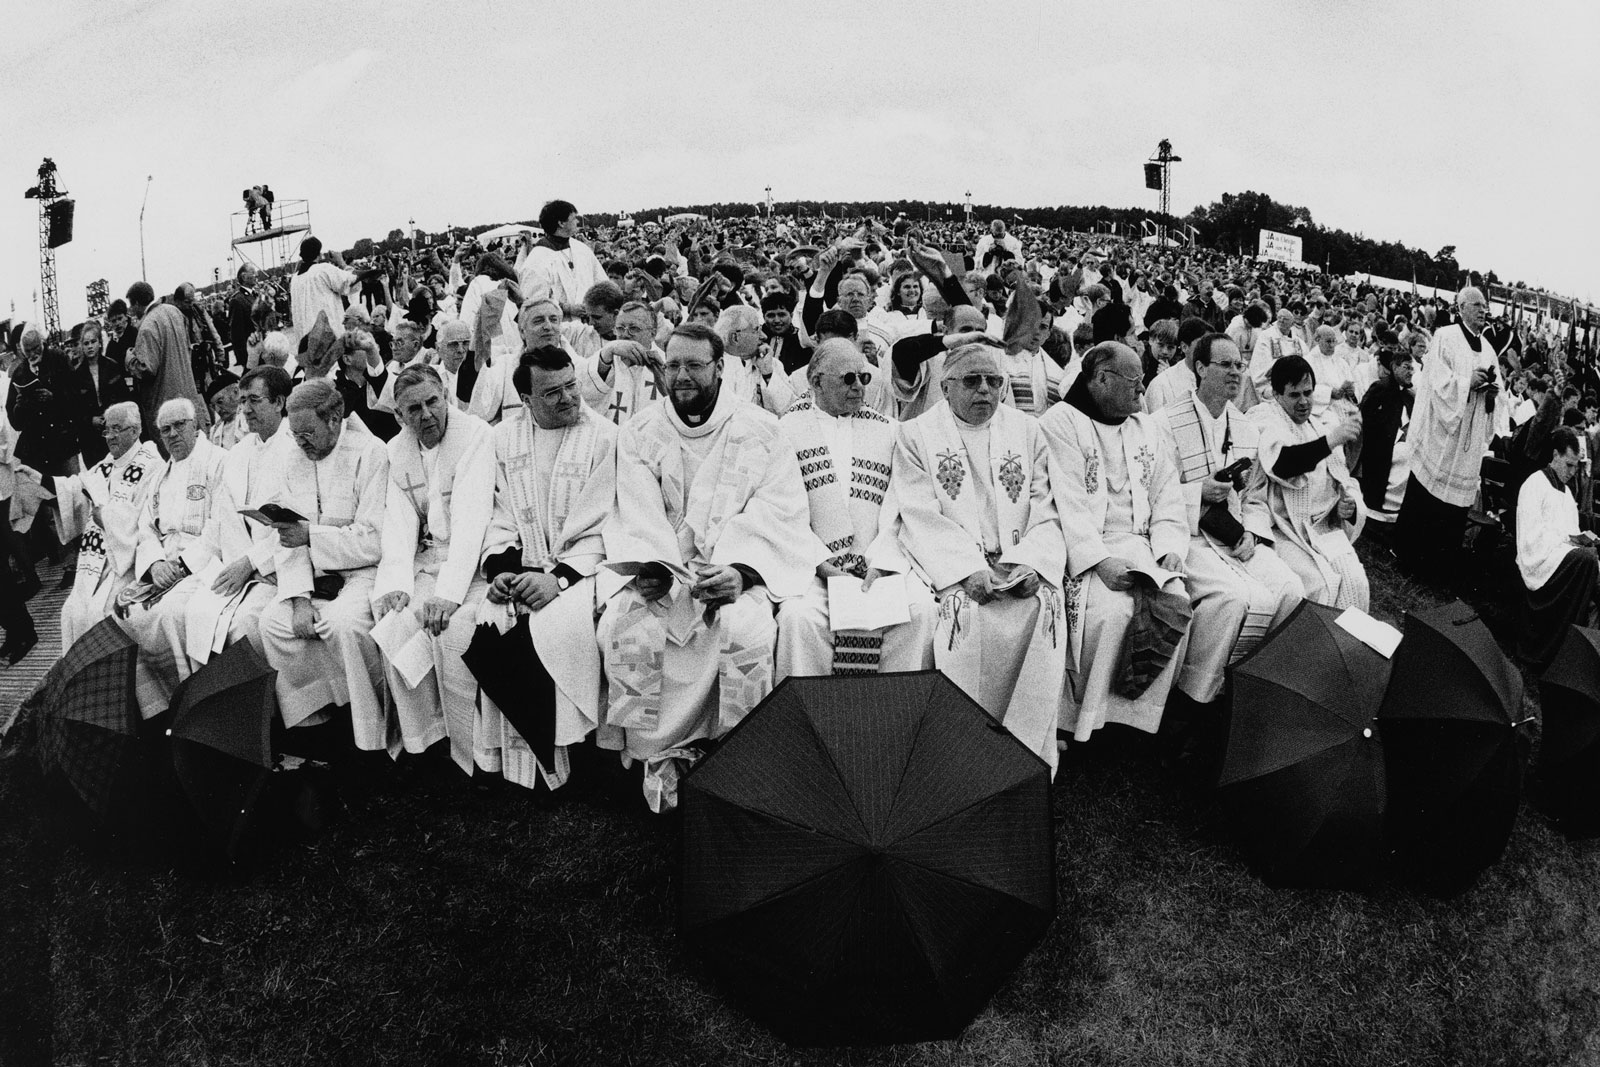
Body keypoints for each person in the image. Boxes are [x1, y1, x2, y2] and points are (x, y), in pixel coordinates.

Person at [597, 322, 819, 811]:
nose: (682, 376)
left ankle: (733, 754)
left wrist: (741, 571)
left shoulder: (761, 428)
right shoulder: (640, 431)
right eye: (673, 364)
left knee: (748, 631)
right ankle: (655, 755)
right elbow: (635, 509)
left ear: (720, 368)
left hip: (734, 573)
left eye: (694, 365)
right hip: (666, 573)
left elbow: (779, 509)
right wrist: (651, 566)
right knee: (623, 625)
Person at [896, 343, 1066, 770]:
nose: (985, 391)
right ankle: (957, 753)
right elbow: (918, 513)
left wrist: (1032, 562)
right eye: (972, 381)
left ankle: (1026, 752)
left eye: (994, 381)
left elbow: (1046, 507)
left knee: (1045, 605)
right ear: (946, 386)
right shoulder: (916, 434)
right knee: (960, 619)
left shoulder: (1027, 431)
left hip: (1018, 566)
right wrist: (968, 570)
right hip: (957, 573)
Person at [476, 346, 618, 790]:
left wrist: (557, 579)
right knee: (489, 619)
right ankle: (524, 766)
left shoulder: (605, 437)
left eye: (572, 386)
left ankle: (575, 756)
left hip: (587, 568)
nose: (569, 399)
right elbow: (498, 512)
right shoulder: (504, 439)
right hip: (525, 567)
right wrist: (502, 569)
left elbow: (607, 522)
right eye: (553, 392)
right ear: (526, 400)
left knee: (557, 628)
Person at [1040, 342, 1191, 744]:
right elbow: (1065, 501)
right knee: (1111, 614)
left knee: (1175, 605)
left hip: (1143, 545)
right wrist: (1099, 561)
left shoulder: (1146, 427)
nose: (1143, 390)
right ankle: (1086, 720)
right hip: (1088, 547)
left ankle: (1136, 721)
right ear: (1101, 379)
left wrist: (1170, 548)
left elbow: (1167, 496)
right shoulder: (1062, 422)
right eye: (1134, 381)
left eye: (1143, 380)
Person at [1153, 335, 1303, 705]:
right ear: (1201, 368)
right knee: (1234, 599)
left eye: (1239, 365)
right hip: (1189, 536)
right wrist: (1198, 493)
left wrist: (1252, 531)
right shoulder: (1164, 423)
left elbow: (1254, 495)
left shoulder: (1246, 427)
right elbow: (1154, 493)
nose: (1236, 372)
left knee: (1290, 589)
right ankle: (1194, 697)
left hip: (1236, 534)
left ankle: (1247, 691)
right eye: (1226, 365)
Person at [774, 338, 935, 680]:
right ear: (815, 381)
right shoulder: (783, 431)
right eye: (848, 379)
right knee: (798, 619)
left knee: (920, 612)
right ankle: (809, 722)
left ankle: (895, 723)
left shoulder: (890, 431)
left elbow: (903, 505)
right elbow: (781, 510)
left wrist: (883, 562)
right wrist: (823, 566)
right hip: (811, 567)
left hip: (881, 563)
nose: (859, 387)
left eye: (863, 378)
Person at [369, 365, 495, 769]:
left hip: (471, 565)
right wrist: (396, 583)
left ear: (446, 397)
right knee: (395, 622)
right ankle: (424, 739)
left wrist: (449, 594)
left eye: (432, 402)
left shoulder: (474, 435)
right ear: (399, 416)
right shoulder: (396, 450)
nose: (425, 415)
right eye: (413, 409)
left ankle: (472, 747)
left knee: (446, 630)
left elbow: (473, 517)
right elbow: (398, 521)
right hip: (427, 563)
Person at [256, 380, 392, 750]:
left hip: (364, 572)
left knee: (342, 624)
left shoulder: (370, 453)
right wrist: (299, 598)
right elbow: (288, 536)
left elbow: (374, 539)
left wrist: (311, 536)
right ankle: (317, 722)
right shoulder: (293, 459)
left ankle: (371, 724)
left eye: (308, 433)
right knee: (273, 623)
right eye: (295, 434)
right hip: (312, 573)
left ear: (335, 419)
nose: (301, 443)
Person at [115, 398, 230, 717]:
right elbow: (145, 529)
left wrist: (183, 565)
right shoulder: (159, 477)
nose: (173, 434)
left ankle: (198, 698)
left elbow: (221, 524)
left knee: (170, 613)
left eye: (180, 425)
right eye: (165, 430)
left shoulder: (219, 462)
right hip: (165, 565)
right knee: (126, 612)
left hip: (205, 564)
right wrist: (155, 564)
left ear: (196, 425)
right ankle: (161, 704)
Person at [1394, 287, 1499, 587]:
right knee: (1427, 493)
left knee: (1454, 507)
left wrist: (1491, 393)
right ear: (1461, 307)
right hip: (1442, 433)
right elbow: (1437, 382)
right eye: (1477, 305)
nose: (1483, 310)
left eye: (1484, 306)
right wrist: (1467, 383)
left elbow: (1498, 396)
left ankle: (1439, 569)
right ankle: (1411, 557)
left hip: (1468, 436)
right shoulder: (1446, 337)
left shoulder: (1489, 349)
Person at [1254, 355, 1370, 609]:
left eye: (1308, 393)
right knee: (1320, 587)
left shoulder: (1315, 425)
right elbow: (1283, 464)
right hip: (1284, 530)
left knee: (1356, 584)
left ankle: (1347, 648)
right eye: (1295, 395)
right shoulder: (1264, 419)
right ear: (1276, 394)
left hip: (1322, 528)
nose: (1304, 402)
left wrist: (1346, 507)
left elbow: (1343, 479)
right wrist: (1332, 440)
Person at [55, 402, 163, 648]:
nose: (110, 436)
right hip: (98, 558)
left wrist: (108, 519)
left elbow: (142, 520)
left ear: (135, 431)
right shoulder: (106, 464)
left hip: (128, 560)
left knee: (99, 613)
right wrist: (39, 480)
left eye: (117, 429)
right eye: (106, 430)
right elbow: (77, 488)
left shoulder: (150, 464)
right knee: (71, 610)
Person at [1516, 427, 1597, 667]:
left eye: (1575, 467)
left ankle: (1582, 654)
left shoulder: (1567, 494)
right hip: (1540, 560)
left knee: (1591, 561)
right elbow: (1530, 536)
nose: (1572, 473)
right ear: (1555, 455)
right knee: (1587, 561)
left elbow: (1570, 531)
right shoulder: (1535, 484)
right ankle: (1555, 652)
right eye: (1569, 465)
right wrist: (1568, 542)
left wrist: (1579, 539)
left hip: (1562, 556)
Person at [125, 283, 211, 439]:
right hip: (187, 395)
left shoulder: (147, 326)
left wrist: (130, 359)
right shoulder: (174, 312)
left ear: (137, 303)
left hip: (165, 404)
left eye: (131, 305)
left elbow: (147, 369)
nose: (131, 311)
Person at [1356, 345, 1416, 527]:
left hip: (1402, 442)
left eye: (1412, 368)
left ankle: (1396, 509)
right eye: (1406, 367)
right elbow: (1363, 417)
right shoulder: (1380, 387)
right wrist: (1397, 435)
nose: (1411, 372)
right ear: (1394, 367)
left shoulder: (1408, 395)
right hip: (1379, 446)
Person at [515, 200, 607, 311]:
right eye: (574, 218)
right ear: (561, 223)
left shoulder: (581, 249)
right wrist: (568, 308)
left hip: (591, 323)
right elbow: (532, 303)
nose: (577, 221)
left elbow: (602, 283)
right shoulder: (536, 260)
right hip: (557, 325)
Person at [288, 237, 361, 349]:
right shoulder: (322, 269)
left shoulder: (294, 279)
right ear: (319, 253)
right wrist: (341, 262)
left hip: (305, 341)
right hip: (327, 340)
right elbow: (351, 282)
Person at [228, 264, 260, 368]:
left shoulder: (256, 295)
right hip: (251, 353)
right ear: (244, 277)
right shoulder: (237, 300)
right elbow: (237, 334)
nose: (256, 276)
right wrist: (243, 360)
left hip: (262, 349)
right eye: (253, 273)